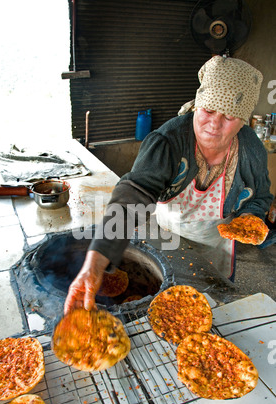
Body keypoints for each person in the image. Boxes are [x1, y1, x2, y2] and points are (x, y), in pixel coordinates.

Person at [64, 55, 273, 314]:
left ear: (243, 120)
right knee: (173, 308)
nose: (214, 124)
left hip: (217, 247)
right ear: (197, 105)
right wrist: (94, 264)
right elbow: (132, 198)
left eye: (229, 116)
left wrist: (250, 218)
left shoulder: (251, 151)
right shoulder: (167, 141)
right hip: (167, 238)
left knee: (213, 309)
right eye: (208, 110)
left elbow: (260, 197)